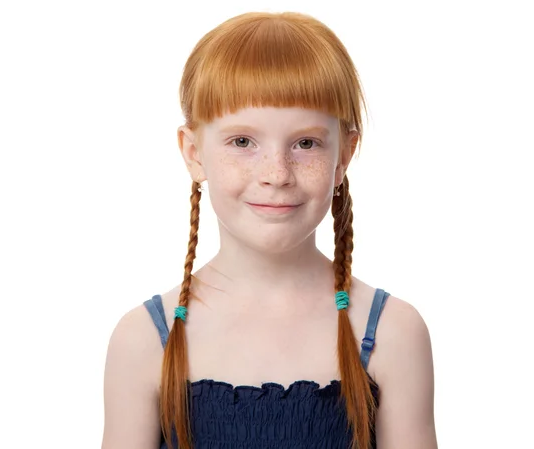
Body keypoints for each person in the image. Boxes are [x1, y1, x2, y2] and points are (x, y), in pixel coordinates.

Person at [102, 11, 437, 449]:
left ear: (345, 155)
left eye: (306, 143)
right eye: (243, 142)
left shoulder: (392, 333)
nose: (276, 173)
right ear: (193, 152)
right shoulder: (145, 340)